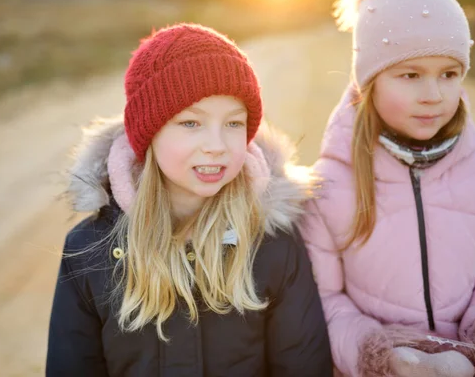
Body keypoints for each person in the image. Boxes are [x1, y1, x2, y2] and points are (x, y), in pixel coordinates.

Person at [46, 23, 333, 376]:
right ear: (149, 133)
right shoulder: (90, 251)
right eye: (191, 124)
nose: (217, 145)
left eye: (233, 123)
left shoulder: (272, 243)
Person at [300, 0, 475, 376]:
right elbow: (326, 299)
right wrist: (383, 356)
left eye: (449, 74)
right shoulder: (328, 188)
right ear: (369, 81)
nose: (433, 94)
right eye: (411, 75)